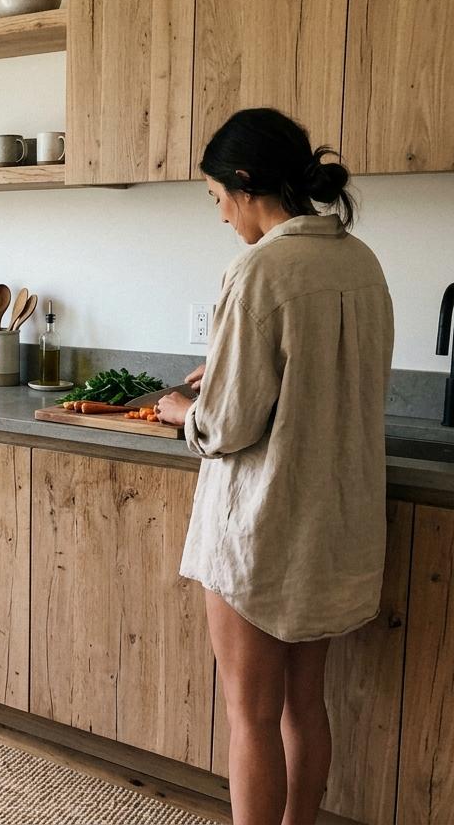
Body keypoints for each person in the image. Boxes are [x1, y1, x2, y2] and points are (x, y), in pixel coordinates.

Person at [155, 108, 394, 825]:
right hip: (333, 524)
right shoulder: (360, 259)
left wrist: (180, 413)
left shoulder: (258, 269)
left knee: (249, 716)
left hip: (259, 530)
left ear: (246, 183)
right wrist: (227, 367)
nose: (221, 216)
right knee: (302, 704)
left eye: (217, 198)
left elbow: (227, 427)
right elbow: (321, 376)